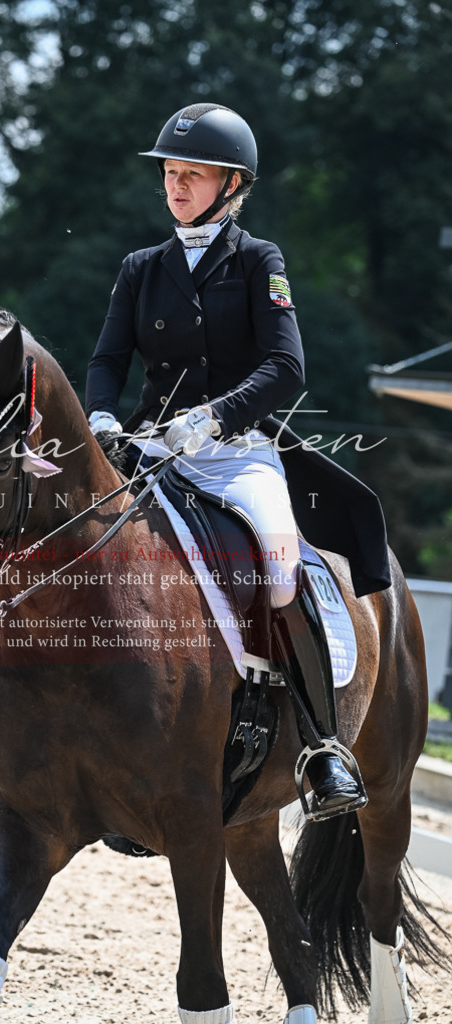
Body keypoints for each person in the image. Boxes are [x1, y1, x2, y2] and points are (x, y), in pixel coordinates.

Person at [84, 102, 376, 821]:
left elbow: (286, 367)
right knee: (77, 545)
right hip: (151, 447)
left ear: (233, 183)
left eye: (194, 174)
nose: (177, 186)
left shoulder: (257, 261)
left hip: (236, 452)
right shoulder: (140, 268)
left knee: (279, 564)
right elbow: (107, 359)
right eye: (170, 173)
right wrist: (101, 418)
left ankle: (320, 746)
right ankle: (57, 746)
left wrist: (214, 416)